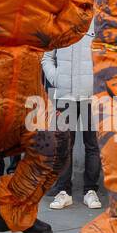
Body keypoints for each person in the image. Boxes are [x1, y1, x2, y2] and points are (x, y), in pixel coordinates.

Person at [44, 21, 103, 210]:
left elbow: (105, 55)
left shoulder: (97, 23)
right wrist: (56, 78)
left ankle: (90, 191)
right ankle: (64, 192)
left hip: (90, 97)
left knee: (92, 145)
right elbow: (46, 57)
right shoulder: (61, 22)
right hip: (65, 97)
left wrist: (97, 83)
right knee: (64, 145)